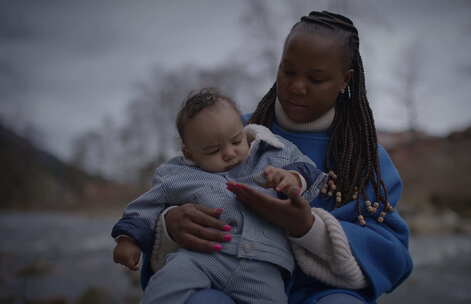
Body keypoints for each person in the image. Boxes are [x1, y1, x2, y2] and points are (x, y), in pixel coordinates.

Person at [146, 10, 413, 304]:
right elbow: (169, 190)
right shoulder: (234, 136)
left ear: (344, 80)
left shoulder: (364, 157)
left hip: (326, 293)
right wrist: (170, 226)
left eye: (316, 78)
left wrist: (307, 227)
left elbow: (392, 253)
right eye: (288, 71)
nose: (297, 86)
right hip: (226, 282)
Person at [111, 88, 329, 304]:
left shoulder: (271, 153)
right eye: (213, 150)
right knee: (164, 285)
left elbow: (308, 170)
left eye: (236, 141)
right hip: (202, 256)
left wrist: (293, 178)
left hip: (263, 265)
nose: (229, 153)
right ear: (189, 153)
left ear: (244, 130)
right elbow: (147, 206)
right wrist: (128, 239)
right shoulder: (177, 174)